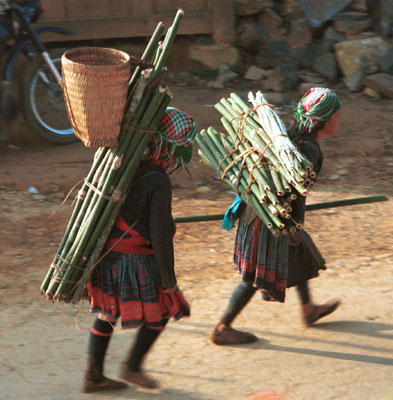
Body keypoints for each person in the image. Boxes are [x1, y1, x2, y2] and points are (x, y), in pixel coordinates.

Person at [211, 87, 341, 345]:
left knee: (300, 250)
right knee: (253, 276)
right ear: (323, 120)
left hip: (260, 207)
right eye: (336, 115)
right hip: (270, 217)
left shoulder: (290, 135)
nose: (339, 120)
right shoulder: (309, 150)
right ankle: (222, 327)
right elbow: (292, 189)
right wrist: (292, 224)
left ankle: (308, 309)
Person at [82, 107, 198, 392]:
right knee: (163, 310)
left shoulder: (121, 163)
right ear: (167, 145)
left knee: (109, 313)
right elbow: (160, 237)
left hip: (107, 256)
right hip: (133, 258)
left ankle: (93, 376)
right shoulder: (157, 179)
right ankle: (132, 367)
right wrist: (170, 283)